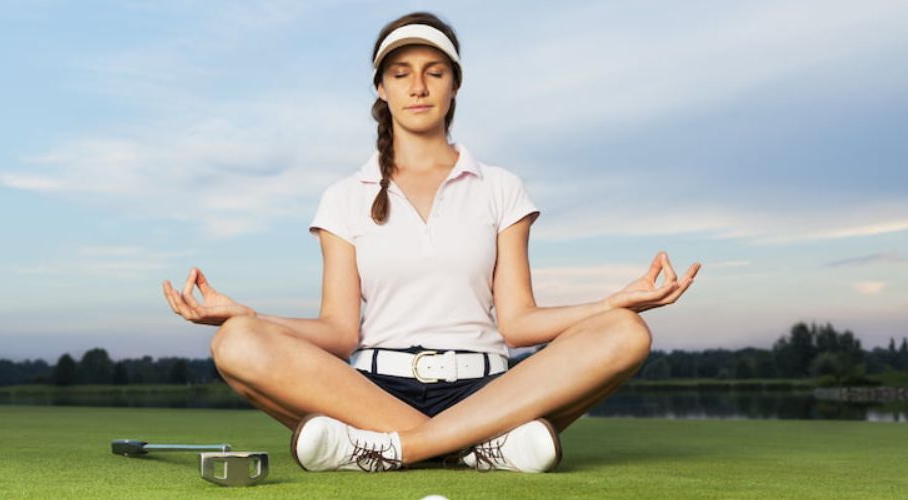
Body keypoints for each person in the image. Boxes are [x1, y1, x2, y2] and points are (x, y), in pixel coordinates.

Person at [162, 11, 701, 474]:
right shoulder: (344, 196)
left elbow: (517, 324)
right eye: (401, 74)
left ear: (454, 85)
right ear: (381, 87)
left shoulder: (500, 187)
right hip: (372, 393)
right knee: (235, 342)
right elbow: (337, 331)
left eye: (433, 72)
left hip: (488, 389)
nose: (418, 87)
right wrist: (249, 316)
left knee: (627, 332)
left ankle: (396, 450)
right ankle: (479, 447)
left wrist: (609, 304)